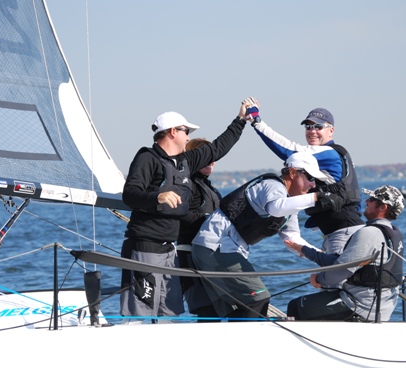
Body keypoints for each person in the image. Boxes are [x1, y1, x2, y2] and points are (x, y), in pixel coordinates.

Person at [120, 101, 250, 320]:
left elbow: (218, 147)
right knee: (140, 312)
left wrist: (240, 121)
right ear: (172, 132)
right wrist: (157, 197)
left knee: (169, 312)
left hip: (169, 250)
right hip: (145, 246)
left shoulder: (185, 161)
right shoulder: (147, 158)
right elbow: (130, 194)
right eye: (185, 131)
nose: (188, 137)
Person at [191, 152, 336, 319]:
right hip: (216, 247)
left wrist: (325, 259)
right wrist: (317, 198)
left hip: (217, 249)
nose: (312, 184)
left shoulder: (289, 205)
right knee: (258, 297)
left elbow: (292, 239)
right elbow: (276, 208)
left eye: (315, 181)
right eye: (310, 178)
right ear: (294, 172)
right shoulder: (272, 186)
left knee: (232, 308)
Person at [245, 100, 364, 256]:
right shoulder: (331, 155)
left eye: (318, 127)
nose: (312, 131)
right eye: (308, 127)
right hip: (343, 231)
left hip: (343, 233)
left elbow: (289, 150)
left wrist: (256, 121)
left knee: (335, 279)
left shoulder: (328, 153)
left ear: (331, 131)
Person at [284, 185, 405, 322]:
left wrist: (319, 280)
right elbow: (339, 263)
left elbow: (341, 271)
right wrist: (305, 250)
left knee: (296, 306)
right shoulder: (394, 233)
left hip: (360, 305)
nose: (366, 202)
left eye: (371, 199)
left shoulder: (369, 233)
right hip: (382, 305)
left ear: (383, 207)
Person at [177, 138, 221, 320]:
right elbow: (180, 213)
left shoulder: (206, 185)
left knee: (216, 309)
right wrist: (210, 220)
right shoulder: (189, 185)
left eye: (213, 157)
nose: (212, 161)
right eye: (207, 156)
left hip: (211, 255)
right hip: (192, 255)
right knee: (206, 309)